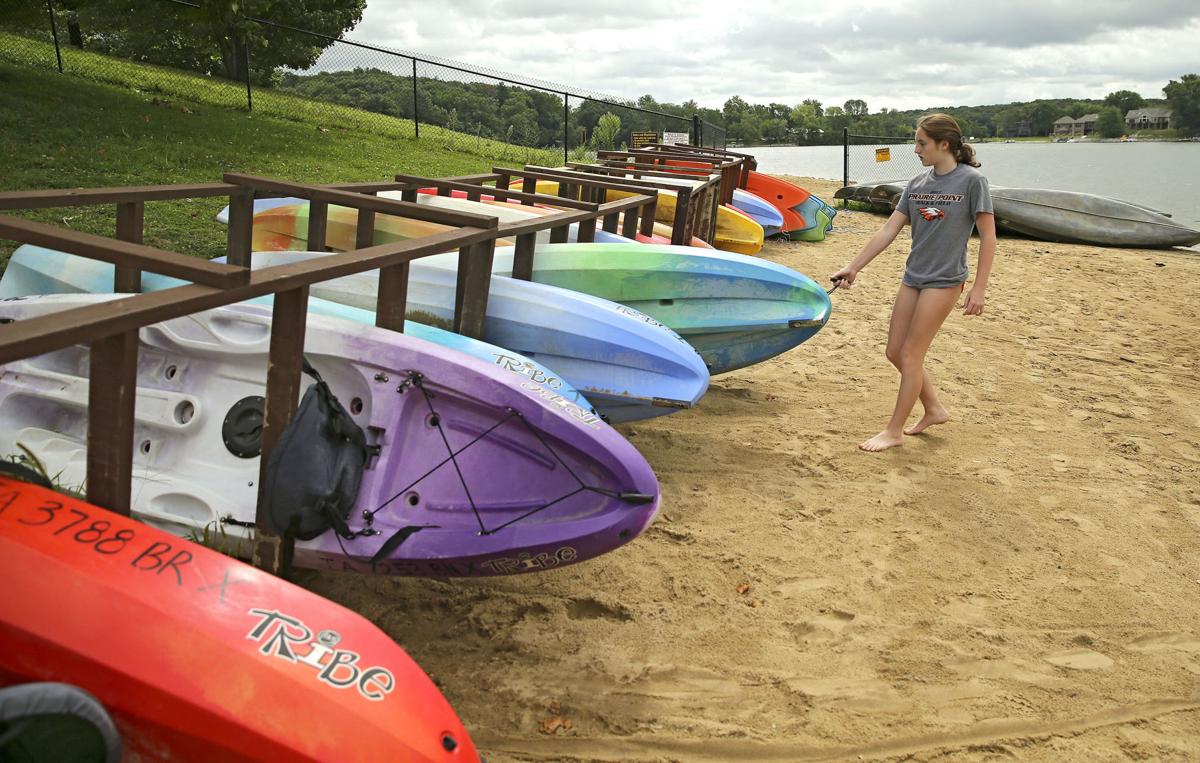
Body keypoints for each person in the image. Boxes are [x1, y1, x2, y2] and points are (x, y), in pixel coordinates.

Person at [832, 113, 996, 452]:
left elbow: (989, 237)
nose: (916, 149)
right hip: (913, 277)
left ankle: (893, 431)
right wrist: (854, 267)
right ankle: (934, 409)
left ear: (944, 145)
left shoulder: (971, 182)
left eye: (922, 143)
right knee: (895, 351)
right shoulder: (917, 184)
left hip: (945, 280)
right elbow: (888, 230)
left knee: (911, 353)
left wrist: (979, 288)